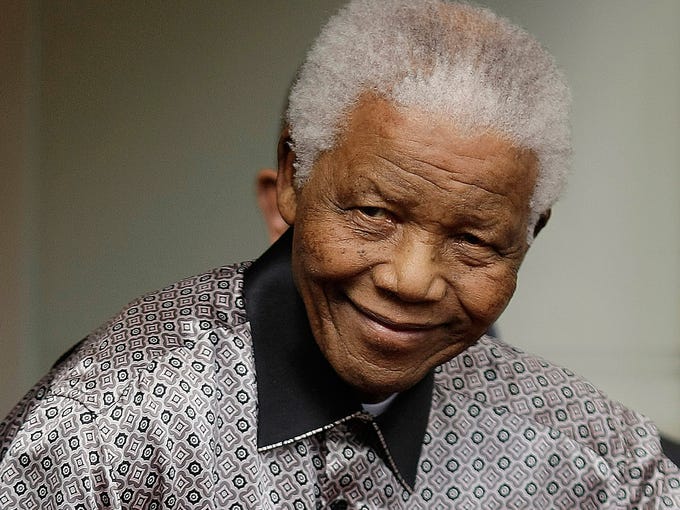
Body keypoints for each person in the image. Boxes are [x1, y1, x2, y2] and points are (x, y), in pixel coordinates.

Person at [1, 1, 678, 508]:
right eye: (374, 213)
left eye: (473, 240)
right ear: (294, 181)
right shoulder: (104, 425)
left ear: (529, 238)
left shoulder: (601, 465)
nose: (412, 281)